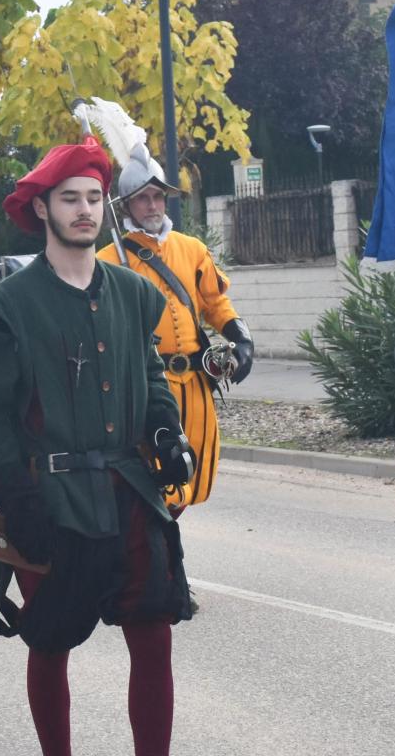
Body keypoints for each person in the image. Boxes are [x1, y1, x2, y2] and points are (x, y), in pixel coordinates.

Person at [0, 141, 192, 756]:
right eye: (70, 199)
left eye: (94, 198)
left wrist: (167, 433)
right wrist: (18, 500)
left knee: (154, 639)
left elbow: (149, 378)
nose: (85, 210)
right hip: (55, 502)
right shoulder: (9, 307)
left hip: (132, 496)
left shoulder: (133, 293)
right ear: (42, 208)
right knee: (51, 641)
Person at [94, 128, 253, 516]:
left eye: (157, 196)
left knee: (190, 476)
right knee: (150, 481)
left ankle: (164, 554)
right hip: (145, 388)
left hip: (195, 385)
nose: (152, 205)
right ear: (127, 205)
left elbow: (215, 303)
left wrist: (240, 337)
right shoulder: (108, 259)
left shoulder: (192, 250)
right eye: (143, 198)